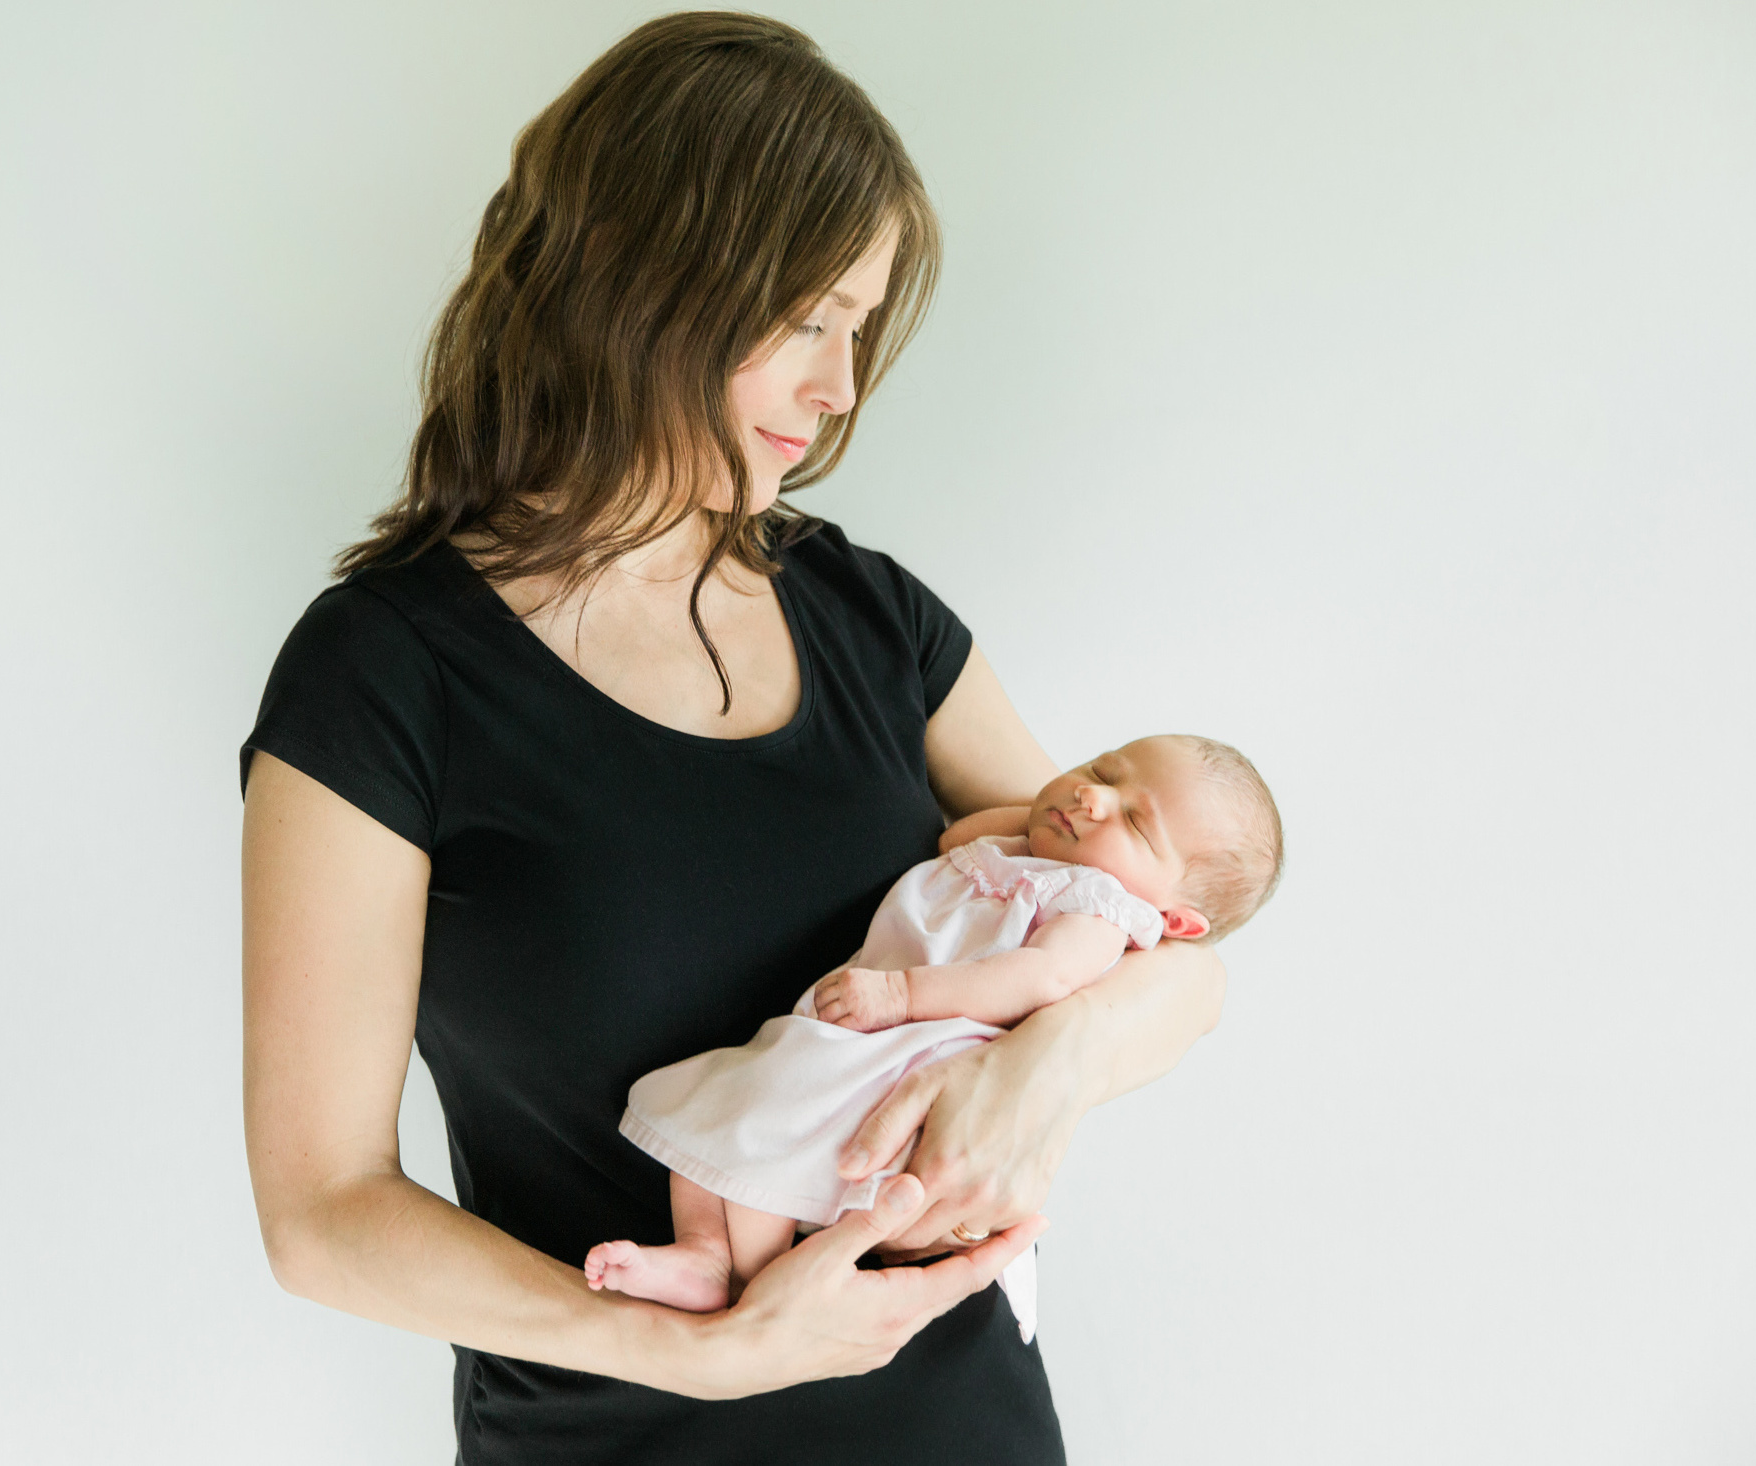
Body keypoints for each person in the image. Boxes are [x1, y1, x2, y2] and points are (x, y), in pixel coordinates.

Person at [239, 14, 1228, 1463]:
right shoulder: (383, 674)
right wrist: (696, 1351)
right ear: (652, 280)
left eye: (859, 330)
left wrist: (1050, 1064)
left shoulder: (869, 615)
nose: (840, 390)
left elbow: (1171, 950)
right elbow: (322, 1213)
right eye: (812, 320)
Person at [584, 735, 1282, 1345]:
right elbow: (956, 839)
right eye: (1102, 770)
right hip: (855, 1028)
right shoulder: (1029, 855)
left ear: (1176, 920)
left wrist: (902, 994)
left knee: (768, 1127)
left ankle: (758, 1280)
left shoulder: (1100, 909)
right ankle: (705, 1253)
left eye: (1134, 819)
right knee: (724, 1109)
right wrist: (1046, 813)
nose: (1094, 797)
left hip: (913, 1042)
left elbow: (1038, 977)